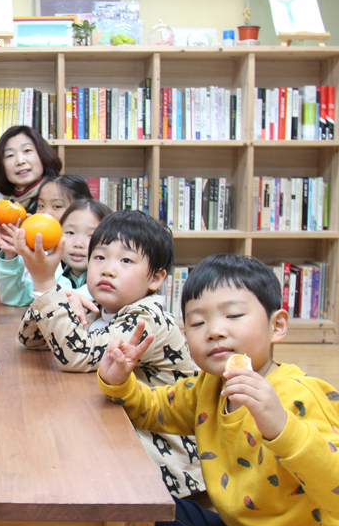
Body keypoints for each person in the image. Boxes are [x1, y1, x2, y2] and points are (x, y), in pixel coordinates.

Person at [95, 253, 339, 526]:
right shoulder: (208, 386)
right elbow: (154, 410)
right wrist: (118, 380)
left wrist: (282, 428)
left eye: (233, 316)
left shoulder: (299, 397)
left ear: (277, 326)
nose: (214, 330)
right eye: (197, 323)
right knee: (146, 508)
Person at [18, 210, 203, 499]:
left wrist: (45, 285)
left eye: (126, 260)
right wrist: (63, 299)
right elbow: (29, 339)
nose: (107, 269)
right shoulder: (97, 305)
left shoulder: (148, 319)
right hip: (117, 431)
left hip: (163, 462)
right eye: (100, 257)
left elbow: (77, 355)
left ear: (155, 279)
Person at [0, 125, 64, 280]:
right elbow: (3, 261)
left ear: (42, 155)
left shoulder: (63, 198)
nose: (20, 161)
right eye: (10, 155)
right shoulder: (9, 207)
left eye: (27, 151)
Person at [0, 196, 109, 307]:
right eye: (70, 232)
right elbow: (14, 297)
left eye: (91, 235)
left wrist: (44, 278)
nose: (78, 243)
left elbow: (69, 301)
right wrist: (10, 255)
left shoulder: (107, 279)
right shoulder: (58, 270)